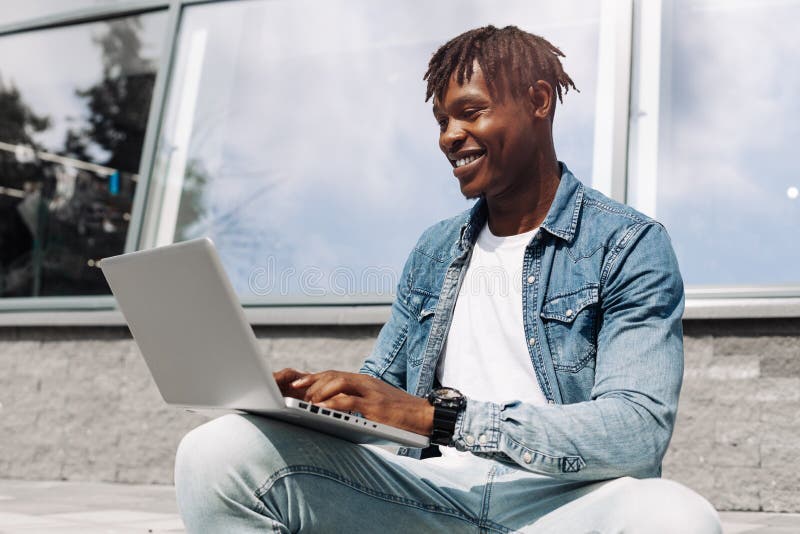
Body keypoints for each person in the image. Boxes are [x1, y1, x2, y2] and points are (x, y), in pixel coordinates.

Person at [174, 25, 722, 533]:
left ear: (538, 101)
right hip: (426, 494)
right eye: (442, 121)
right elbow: (383, 391)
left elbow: (636, 431)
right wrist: (317, 405)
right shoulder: (435, 250)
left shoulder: (626, 244)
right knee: (218, 454)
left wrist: (443, 419)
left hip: (564, 503)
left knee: (678, 517)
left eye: (471, 112)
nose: (450, 136)